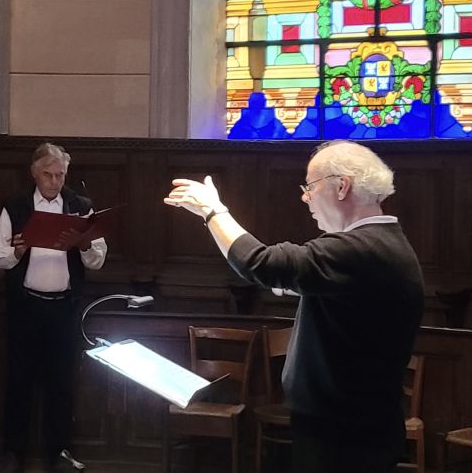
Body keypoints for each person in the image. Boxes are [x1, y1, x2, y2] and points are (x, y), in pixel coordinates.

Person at [164, 141, 424, 473]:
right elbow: (283, 278)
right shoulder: (375, 245)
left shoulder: (363, 249)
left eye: (310, 187)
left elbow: (261, 263)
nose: (305, 198)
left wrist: (213, 211)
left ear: (342, 186)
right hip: (348, 425)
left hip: (344, 434)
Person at [0, 143, 108, 473]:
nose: (55, 182)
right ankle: (13, 453)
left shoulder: (80, 206)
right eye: (48, 174)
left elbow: (98, 259)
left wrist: (84, 244)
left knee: (61, 383)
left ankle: (60, 452)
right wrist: (18, 250)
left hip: (64, 310)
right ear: (34, 173)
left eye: (60, 175)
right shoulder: (16, 207)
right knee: (18, 382)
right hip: (25, 307)